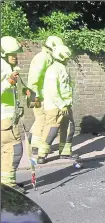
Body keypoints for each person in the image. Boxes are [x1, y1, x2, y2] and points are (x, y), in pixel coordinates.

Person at [37, 45, 79, 165]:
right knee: (51, 130)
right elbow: (53, 90)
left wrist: (66, 104)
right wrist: (61, 105)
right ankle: (42, 155)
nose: (68, 59)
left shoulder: (62, 68)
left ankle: (65, 152)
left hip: (65, 105)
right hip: (56, 106)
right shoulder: (53, 70)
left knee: (69, 127)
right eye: (67, 57)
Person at [27, 36, 65, 160]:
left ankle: (35, 146)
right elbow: (34, 78)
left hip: (40, 95)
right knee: (41, 120)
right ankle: (35, 147)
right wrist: (36, 97)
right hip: (40, 96)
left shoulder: (45, 57)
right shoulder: (43, 57)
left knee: (41, 120)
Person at [1, 36, 25, 193]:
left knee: (7, 151)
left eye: (16, 53)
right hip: (5, 119)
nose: (15, 56)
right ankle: (8, 185)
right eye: (12, 53)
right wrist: (8, 81)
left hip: (9, 118)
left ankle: (6, 183)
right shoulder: (3, 68)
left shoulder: (8, 67)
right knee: (14, 149)